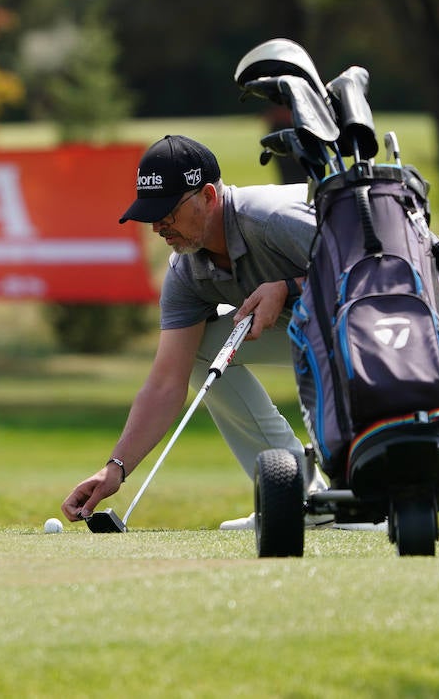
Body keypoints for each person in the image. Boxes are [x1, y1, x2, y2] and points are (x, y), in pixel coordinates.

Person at [60, 134, 324, 530]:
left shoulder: (271, 221)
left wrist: (290, 286)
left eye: (168, 211)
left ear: (208, 196)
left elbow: (375, 270)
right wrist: (115, 468)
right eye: (151, 214)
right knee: (202, 349)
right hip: (305, 326)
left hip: (377, 326)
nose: (158, 227)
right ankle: (299, 497)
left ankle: (370, 494)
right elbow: (167, 381)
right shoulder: (186, 271)